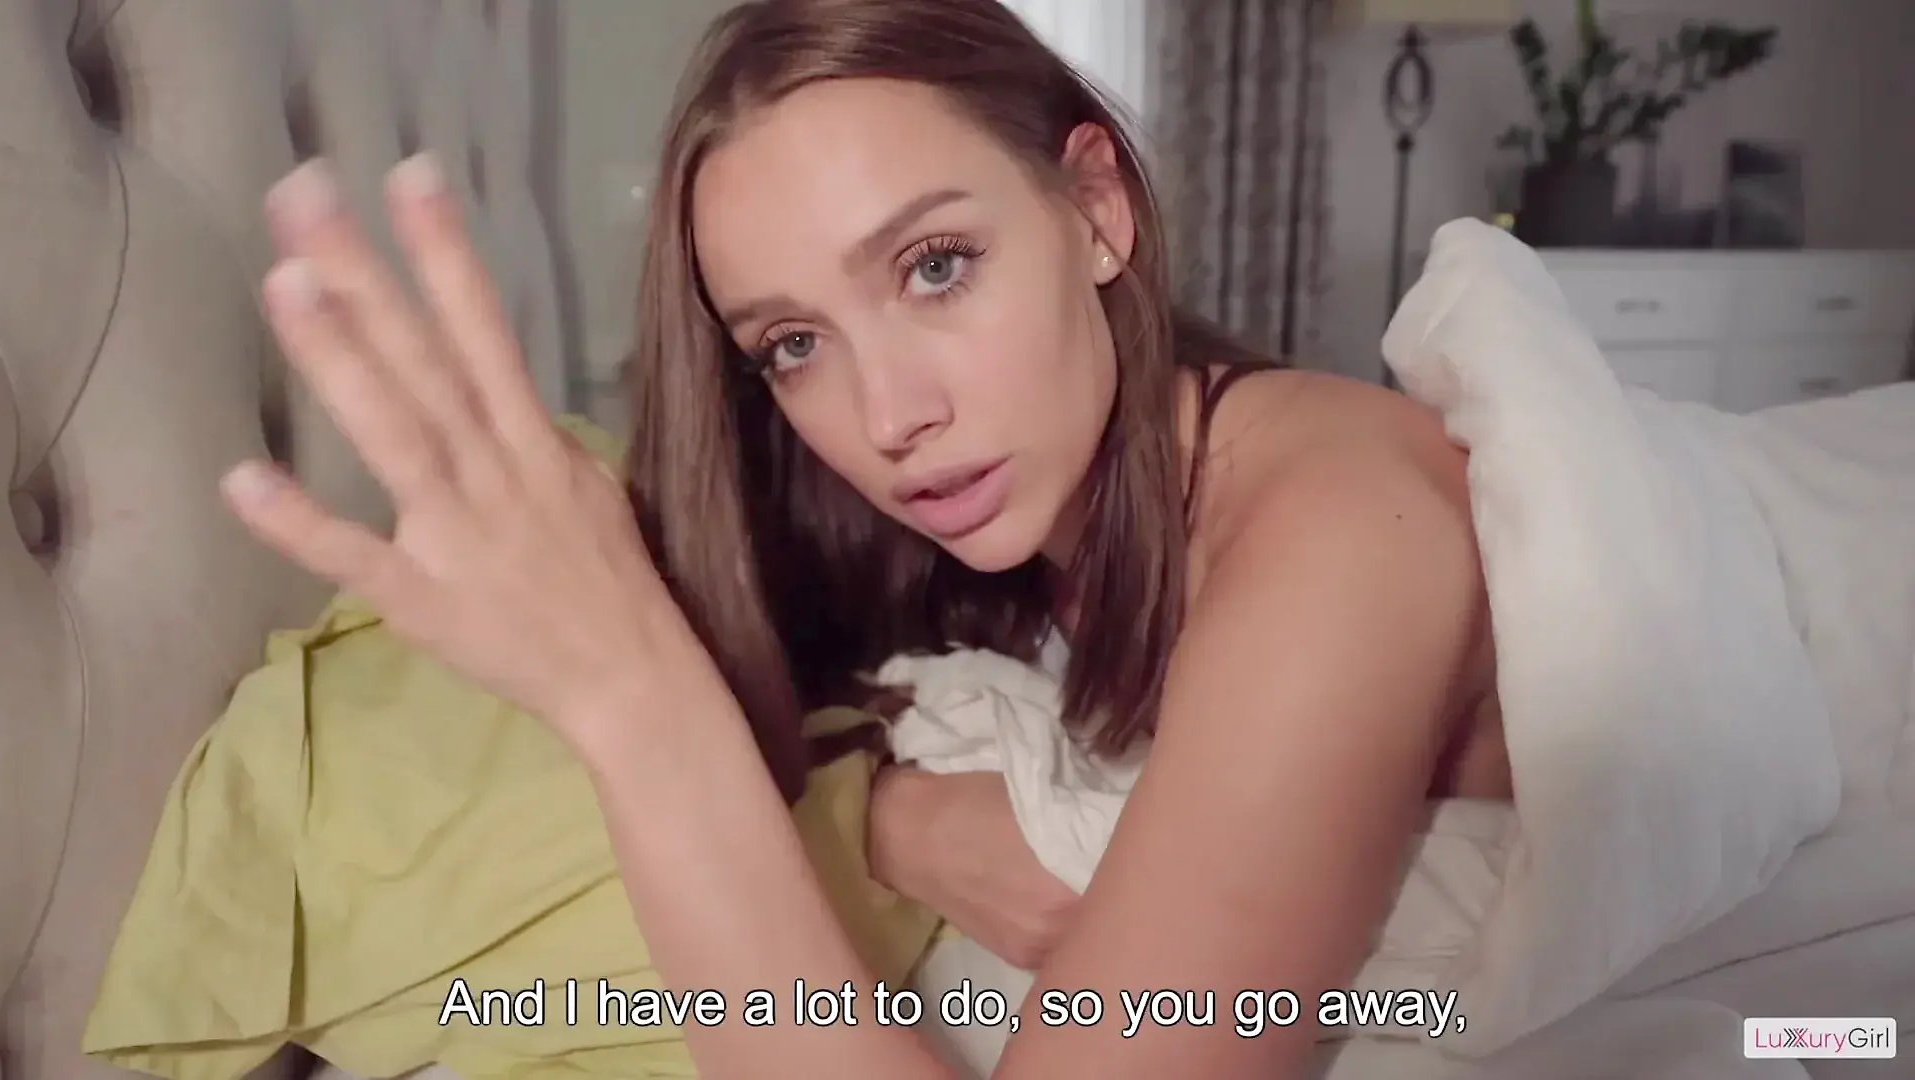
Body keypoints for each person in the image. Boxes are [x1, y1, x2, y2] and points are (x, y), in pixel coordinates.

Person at [224, 0, 1512, 1076]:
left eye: (935, 265)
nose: (891, 417)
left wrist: (634, 707)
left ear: (1095, 208)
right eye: (793, 344)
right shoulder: (979, 524)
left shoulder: (1345, 522)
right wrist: (885, 818)